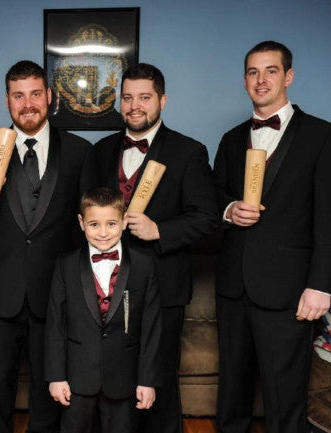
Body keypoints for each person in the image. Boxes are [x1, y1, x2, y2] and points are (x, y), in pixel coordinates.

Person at [0, 60, 92, 433]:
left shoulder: (80, 151)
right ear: (7, 101)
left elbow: (85, 229)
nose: (28, 103)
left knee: (49, 385)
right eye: (19, 95)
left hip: (55, 291)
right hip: (0, 291)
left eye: (35, 93)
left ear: (49, 96)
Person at [86, 63, 220, 433]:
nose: (135, 106)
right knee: (111, 373)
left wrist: (159, 229)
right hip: (107, 285)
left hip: (163, 284)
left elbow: (207, 217)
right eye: (127, 97)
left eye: (144, 97)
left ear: (162, 99)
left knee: (157, 376)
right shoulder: (100, 151)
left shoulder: (189, 151)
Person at [213, 40, 331, 433]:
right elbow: (214, 200)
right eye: (252, 72)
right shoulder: (230, 140)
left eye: (271, 71)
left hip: (289, 290)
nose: (261, 80)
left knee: (285, 397)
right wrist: (229, 210)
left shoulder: (322, 136)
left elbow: (328, 218)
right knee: (232, 392)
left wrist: (321, 286)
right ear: (244, 80)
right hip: (233, 287)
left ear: (289, 76)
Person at [45, 187, 162, 433]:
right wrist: (56, 376)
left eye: (111, 223)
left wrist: (147, 381)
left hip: (124, 379)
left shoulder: (143, 265)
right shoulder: (65, 264)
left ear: (123, 221)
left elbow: (152, 328)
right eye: (94, 224)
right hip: (77, 378)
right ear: (81, 223)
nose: (103, 233)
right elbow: (55, 324)